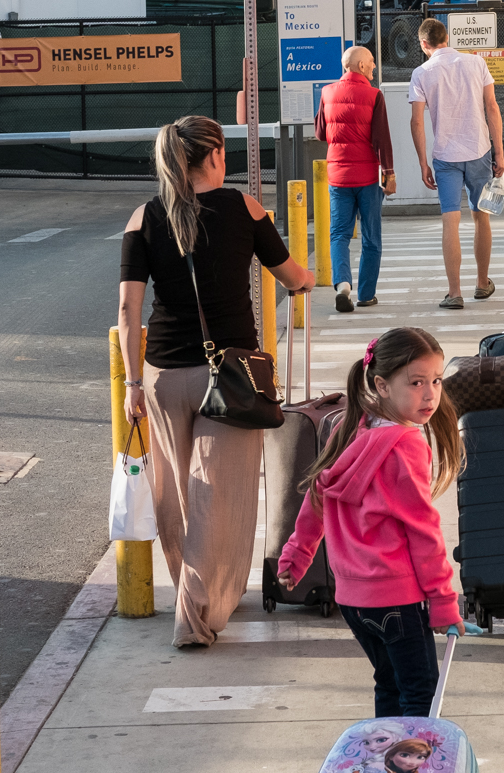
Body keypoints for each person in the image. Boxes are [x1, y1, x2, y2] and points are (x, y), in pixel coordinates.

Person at [117, 115, 315, 648]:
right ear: (216, 155)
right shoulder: (242, 207)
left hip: (161, 376)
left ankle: (194, 591)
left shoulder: (145, 217)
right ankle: (195, 613)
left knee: (179, 494)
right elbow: (293, 275)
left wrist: (132, 383)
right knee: (217, 498)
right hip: (230, 376)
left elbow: (127, 308)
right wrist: (310, 280)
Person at [277, 327, 462, 716]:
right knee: (420, 693)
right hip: (397, 597)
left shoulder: (349, 429)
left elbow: (316, 500)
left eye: (436, 381)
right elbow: (423, 531)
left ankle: (385, 765)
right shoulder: (408, 445)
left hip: (353, 599)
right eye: (416, 383)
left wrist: (296, 556)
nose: (430, 394)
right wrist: (444, 601)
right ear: (381, 384)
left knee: (389, 682)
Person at [407, 18, 504, 309]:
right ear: (446, 37)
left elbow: (417, 121)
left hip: (445, 156)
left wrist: (423, 162)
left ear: (424, 44)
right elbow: (492, 107)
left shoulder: (421, 73)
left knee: (450, 220)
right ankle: (482, 283)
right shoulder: (476, 64)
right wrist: (498, 153)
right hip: (478, 150)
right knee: (481, 217)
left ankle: (454, 292)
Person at [315, 45, 396, 313]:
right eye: (371, 62)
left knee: (339, 234)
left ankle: (342, 286)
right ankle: (366, 294)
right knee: (371, 237)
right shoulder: (374, 95)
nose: (374, 66)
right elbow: (382, 138)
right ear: (361, 66)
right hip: (367, 178)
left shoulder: (326, 92)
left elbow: (320, 133)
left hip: (338, 175)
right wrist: (389, 173)